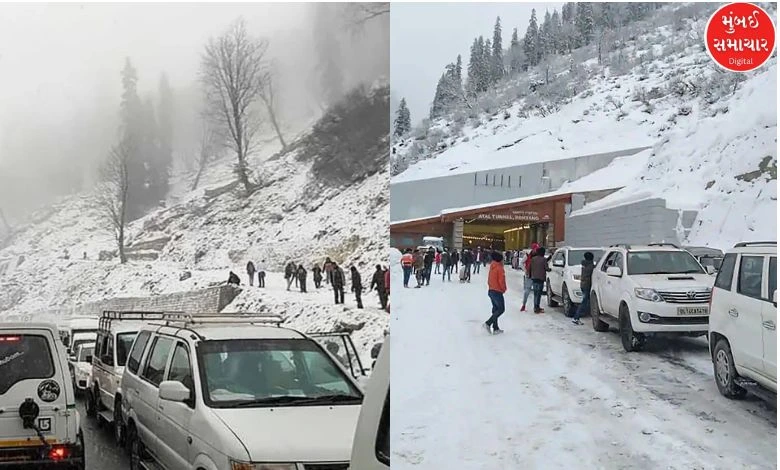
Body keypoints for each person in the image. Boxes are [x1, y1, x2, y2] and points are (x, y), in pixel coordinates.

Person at [484, 251, 507, 334]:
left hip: (491, 290)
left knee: (495, 309)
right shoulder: (500, 268)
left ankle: (495, 328)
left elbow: (489, 279)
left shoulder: (492, 267)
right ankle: (488, 323)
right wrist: (504, 289)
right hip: (497, 291)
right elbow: (501, 281)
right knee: (501, 309)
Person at [573, 251, 595, 325]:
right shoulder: (590, 266)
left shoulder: (584, 264)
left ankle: (581, 315)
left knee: (587, 301)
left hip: (583, 285)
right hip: (587, 285)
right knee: (584, 302)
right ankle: (576, 317)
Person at [529, 246, 548, 313]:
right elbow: (546, 268)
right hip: (541, 278)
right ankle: (537, 307)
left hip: (534, 278)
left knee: (535, 293)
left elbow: (529, 268)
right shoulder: (544, 259)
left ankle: (535, 307)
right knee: (539, 294)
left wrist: (530, 275)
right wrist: (549, 269)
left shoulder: (533, 259)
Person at [521, 243, 539, 312]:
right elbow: (521, 263)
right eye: (535, 249)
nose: (536, 250)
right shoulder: (527, 255)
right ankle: (524, 305)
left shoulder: (536, 255)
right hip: (529, 275)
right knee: (527, 291)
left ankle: (535, 306)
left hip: (534, 275)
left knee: (535, 292)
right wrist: (525, 270)